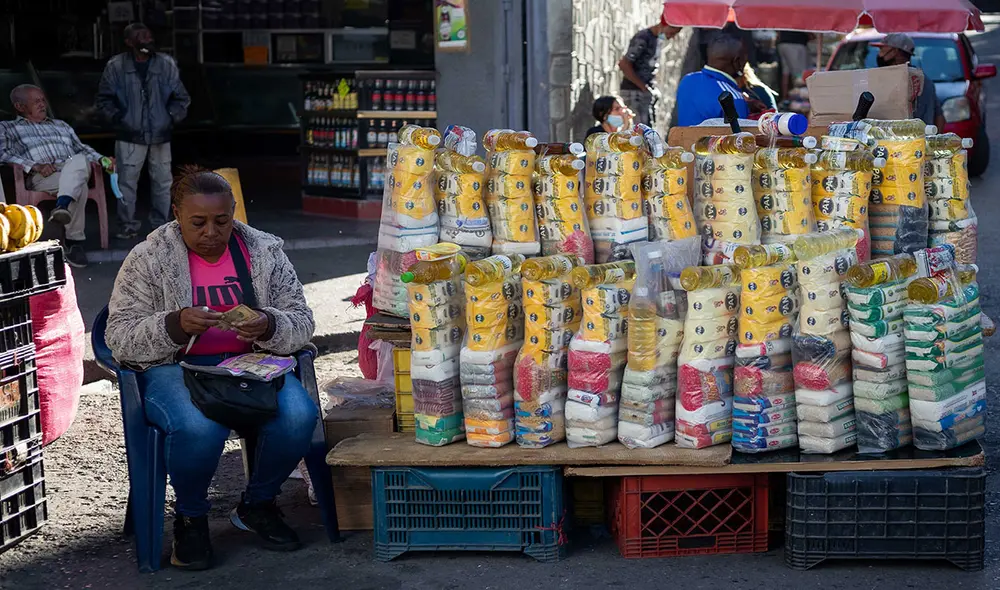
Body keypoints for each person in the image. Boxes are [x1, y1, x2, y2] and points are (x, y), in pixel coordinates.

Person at [105, 167, 317, 571]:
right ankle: (191, 518)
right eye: (197, 222)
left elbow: (302, 320)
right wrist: (174, 324)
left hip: (250, 365)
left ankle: (258, 504)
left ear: (233, 212)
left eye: (221, 221)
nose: (210, 233)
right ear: (177, 215)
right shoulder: (149, 258)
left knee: (298, 417)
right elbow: (119, 335)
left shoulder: (264, 252)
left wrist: (269, 324)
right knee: (199, 428)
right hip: (175, 365)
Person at [0, 84, 113, 268]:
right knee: (80, 185)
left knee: (79, 160)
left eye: (42, 100)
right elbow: (3, 154)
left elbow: (82, 149)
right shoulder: (8, 128)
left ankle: (63, 206)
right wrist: (34, 166)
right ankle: (73, 241)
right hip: (44, 176)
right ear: (20, 106)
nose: (42, 104)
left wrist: (102, 159)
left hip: (72, 168)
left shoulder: (61, 125)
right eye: (36, 101)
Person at [96, 22, 191, 241]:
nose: (147, 39)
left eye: (149, 35)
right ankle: (127, 226)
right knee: (126, 183)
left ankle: (162, 226)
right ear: (129, 42)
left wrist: (169, 118)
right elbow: (104, 100)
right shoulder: (116, 66)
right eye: (141, 36)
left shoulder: (166, 63)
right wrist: (120, 119)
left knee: (163, 182)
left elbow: (182, 98)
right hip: (129, 134)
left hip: (161, 134)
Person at [618, 16, 682, 126]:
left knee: (648, 128)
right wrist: (643, 87)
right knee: (639, 130)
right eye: (671, 33)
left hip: (644, 93)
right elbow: (624, 64)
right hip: (634, 92)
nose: (671, 37)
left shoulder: (656, 40)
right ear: (664, 25)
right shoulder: (643, 38)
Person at [873, 33, 946, 130]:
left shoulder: (901, 79)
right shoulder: (924, 79)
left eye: (882, 50)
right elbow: (939, 117)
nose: (879, 54)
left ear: (895, 51)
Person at [676, 35, 752, 126]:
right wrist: (743, 105)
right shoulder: (733, 99)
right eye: (745, 57)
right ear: (737, 62)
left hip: (682, 135)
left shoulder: (687, 80)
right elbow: (740, 134)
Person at [777, 30, 810, 99]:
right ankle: (798, 98)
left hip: (783, 43)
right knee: (800, 74)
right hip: (796, 43)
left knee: (785, 73)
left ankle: (785, 98)